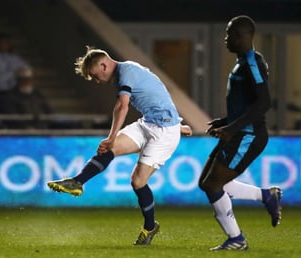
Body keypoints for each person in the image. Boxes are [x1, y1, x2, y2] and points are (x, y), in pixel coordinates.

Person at [47, 46, 190, 246]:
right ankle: (77, 182)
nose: (97, 81)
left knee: (137, 182)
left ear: (104, 65)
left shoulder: (126, 73)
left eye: (96, 76)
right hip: (150, 123)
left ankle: (150, 227)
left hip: (164, 132)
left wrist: (112, 135)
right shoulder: (128, 70)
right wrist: (178, 124)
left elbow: (122, 106)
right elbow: (156, 92)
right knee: (109, 149)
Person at [198, 15, 282, 251]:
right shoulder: (242, 62)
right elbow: (247, 103)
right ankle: (267, 196)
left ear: (240, 36)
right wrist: (225, 122)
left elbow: (264, 102)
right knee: (207, 183)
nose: (225, 38)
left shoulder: (252, 62)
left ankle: (236, 239)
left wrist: (233, 127)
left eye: (228, 34)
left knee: (214, 185)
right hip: (238, 132)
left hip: (248, 135)